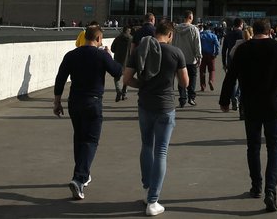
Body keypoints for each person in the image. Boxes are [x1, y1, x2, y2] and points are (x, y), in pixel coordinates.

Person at [219, 19, 277, 212]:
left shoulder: (243, 50)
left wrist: (224, 100)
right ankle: (271, 190)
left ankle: (256, 187)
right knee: (274, 148)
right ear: (270, 30)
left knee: (253, 147)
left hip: (251, 105)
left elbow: (231, 76)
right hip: (272, 105)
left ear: (253, 31)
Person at [122, 20, 188, 216]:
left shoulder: (140, 50)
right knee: (161, 151)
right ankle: (153, 201)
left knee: (146, 146)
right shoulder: (176, 53)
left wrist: (142, 85)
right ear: (169, 35)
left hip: (145, 105)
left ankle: (147, 189)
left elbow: (126, 79)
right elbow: (185, 82)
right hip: (166, 107)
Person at [53, 24, 122, 200]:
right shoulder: (101, 55)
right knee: (91, 140)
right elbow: (117, 71)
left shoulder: (71, 55)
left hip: (74, 101)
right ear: (98, 39)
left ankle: (83, 173)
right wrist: (108, 55)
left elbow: (60, 78)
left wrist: (57, 101)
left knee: (79, 137)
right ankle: (79, 178)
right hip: (93, 102)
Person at [174, 11, 201, 107]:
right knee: (192, 78)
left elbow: (172, 42)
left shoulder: (176, 29)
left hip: (179, 58)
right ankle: (191, 97)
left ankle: (182, 98)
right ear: (190, 17)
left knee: (181, 79)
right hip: (191, 58)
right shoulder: (194, 29)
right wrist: (199, 56)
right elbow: (197, 43)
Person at [221, 18, 246, 110]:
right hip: (242, 61)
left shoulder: (228, 35)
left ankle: (233, 99)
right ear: (241, 24)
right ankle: (238, 97)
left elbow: (224, 50)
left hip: (231, 61)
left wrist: (224, 62)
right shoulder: (243, 34)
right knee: (241, 81)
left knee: (232, 82)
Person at [110, 25, 133, 102]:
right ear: (129, 31)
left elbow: (112, 49)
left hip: (117, 61)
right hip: (128, 62)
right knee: (126, 79)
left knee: (116, 78)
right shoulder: (131, 39)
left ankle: (118, 91)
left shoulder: (118, 38)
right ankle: (124, 93)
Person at [199, 24, 220, 91]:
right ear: (209, 29)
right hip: (211, 55)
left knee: (202, 71)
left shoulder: (200, 35)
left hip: (202, 55)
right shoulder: (213, 35)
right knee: (212, 70)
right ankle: (211, 80)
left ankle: (203, 86)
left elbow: (197, 44)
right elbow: (217, 45)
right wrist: (216, 53)